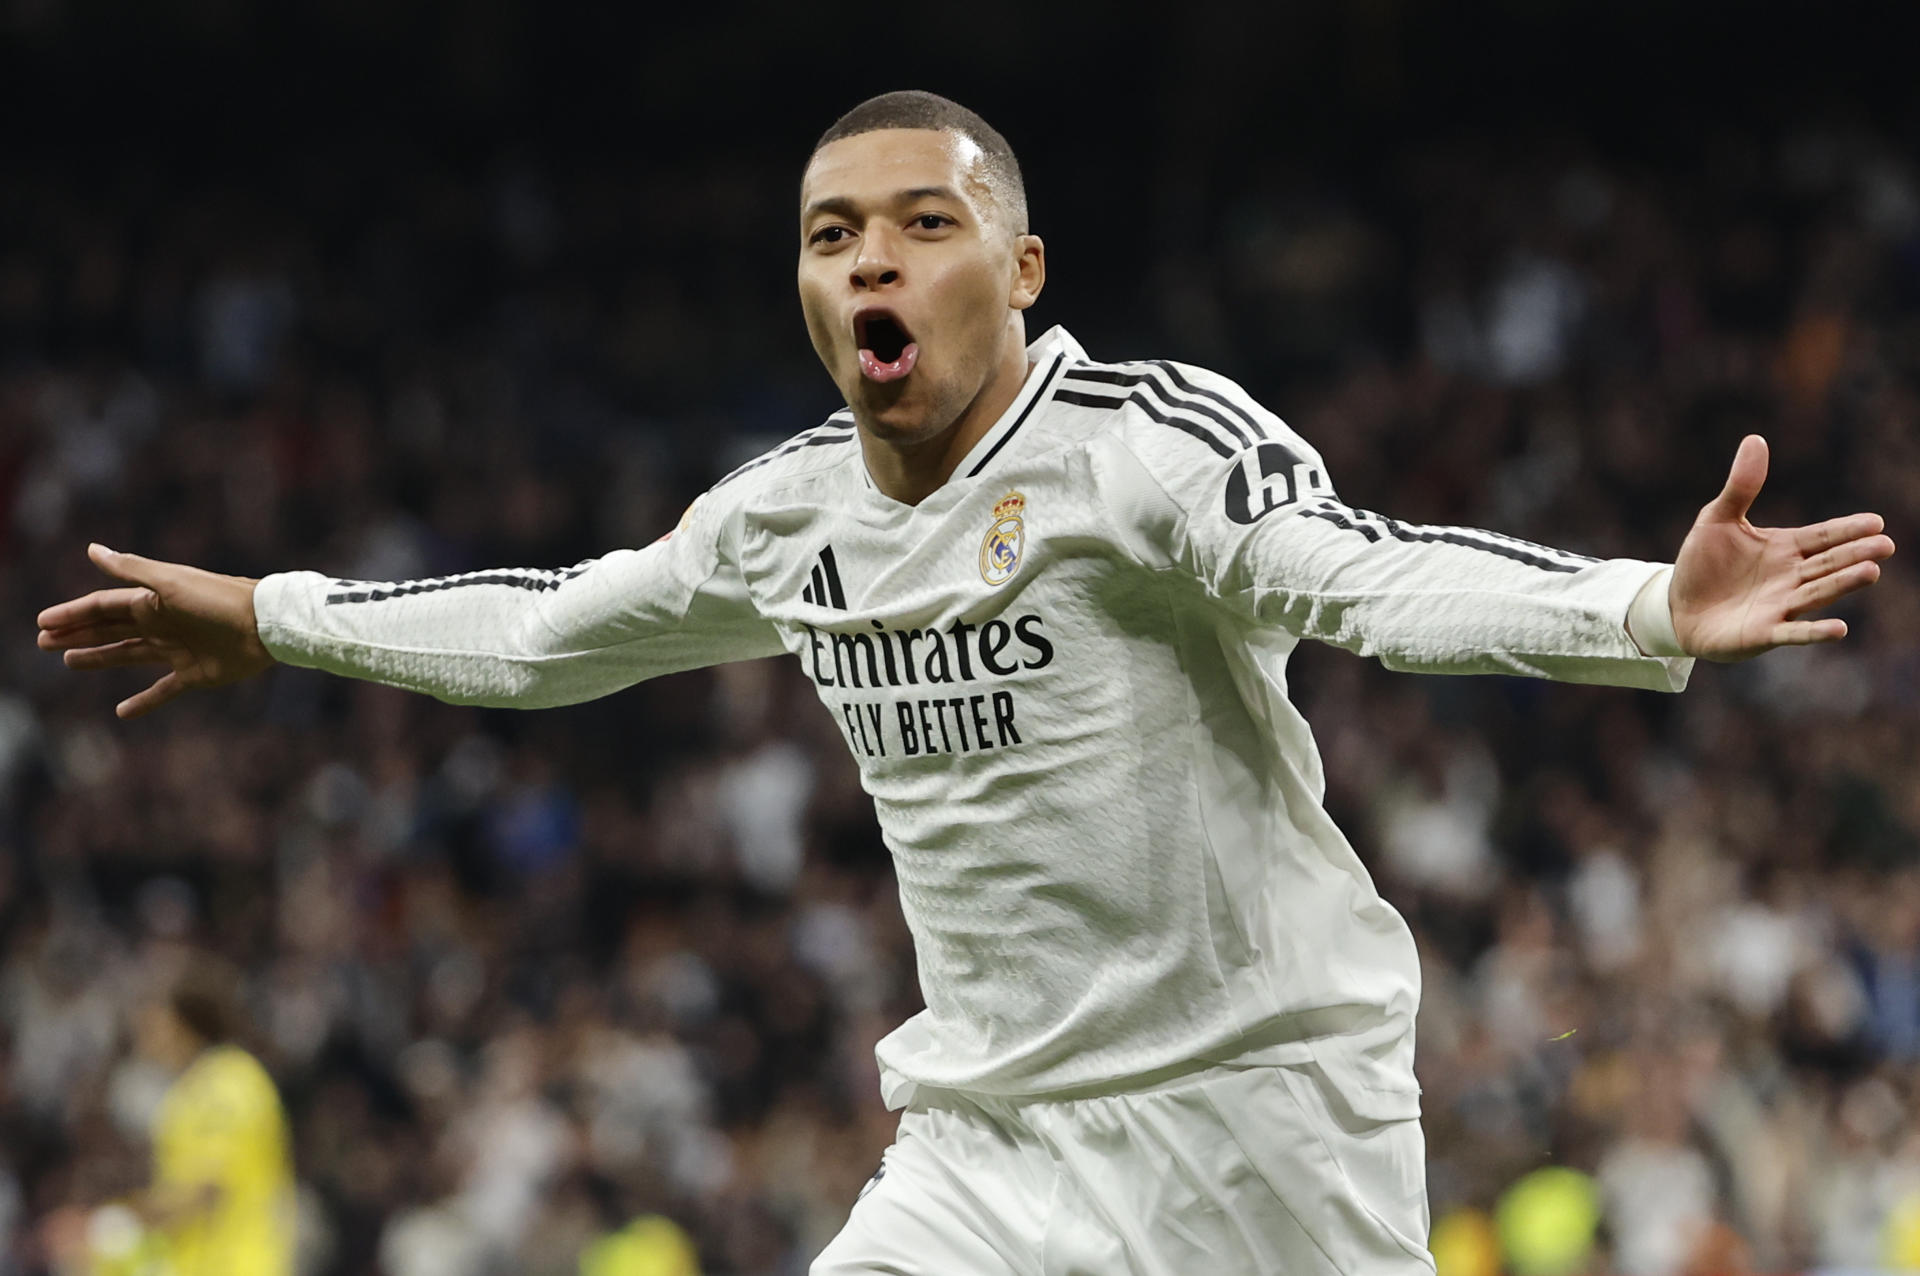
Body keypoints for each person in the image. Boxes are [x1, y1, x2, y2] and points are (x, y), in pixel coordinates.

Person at [36, 91, 1893, 1274]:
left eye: (919, 221)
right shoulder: (786, 518)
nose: (870, 256)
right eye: (832, 230)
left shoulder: (1139, 449)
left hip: (1261, 1127)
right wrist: (276, 615)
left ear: (1017, 265)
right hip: (989, 1146)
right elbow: (543, 630)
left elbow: (1364, 575)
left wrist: (1645, 609)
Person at [132, 958, 295, 1276]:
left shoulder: (227, 1084)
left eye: (153, 1017)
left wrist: (110, 1223)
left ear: (181, 1022)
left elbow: (204, 1190)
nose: (143, 1027)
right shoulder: (192, 1088)